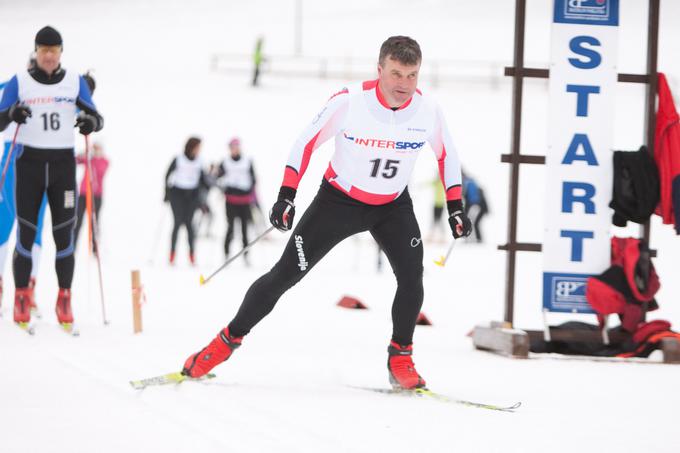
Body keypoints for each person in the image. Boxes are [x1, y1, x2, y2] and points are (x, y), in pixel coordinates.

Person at [182, 36, 472, 390]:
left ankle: (401, 357)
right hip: (338, 203)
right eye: (396, 74)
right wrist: (287, 195)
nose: (404, 85)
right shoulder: (349, 102)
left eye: (412, 76)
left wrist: (455, 206)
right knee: (283, 277)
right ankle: (224, 343)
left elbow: (448, 155)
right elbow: (306, 143)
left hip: (392, 206)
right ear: (379, 70)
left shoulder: (427, 110)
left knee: (412, 279)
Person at [0, 25, 103, 328]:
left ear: (60, 53)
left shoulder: (74, 82)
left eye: (53, 51)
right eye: (43, 50)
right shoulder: (20, 82)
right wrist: (11, 115)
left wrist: (89, 122)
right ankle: (21, 295)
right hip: (28, 164)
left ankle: (64, 297)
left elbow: (96, 117)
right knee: (27, 231)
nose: (48, 56)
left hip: (61, 167)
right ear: (36, 51)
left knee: (63, 234)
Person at [165, 137, 207, 265]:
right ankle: (172, 254)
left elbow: (202, 180)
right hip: (177, 194)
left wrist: (204, 196)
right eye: (198, 147)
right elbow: (167, 175)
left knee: (189, 224)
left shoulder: (200, 161)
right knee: (177, 223)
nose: (199, 150)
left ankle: (192, 254)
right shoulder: (178, 159)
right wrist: (166, 194)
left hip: (192, 195)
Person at [215, 137, 256, 263]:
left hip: (244, 200)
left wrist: (251, 193)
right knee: (231, 228)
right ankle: (226, 254)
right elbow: (218, 177)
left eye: (236, 147)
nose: (234, 150)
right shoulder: (225, 162)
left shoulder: (247, 161)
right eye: (232, 148)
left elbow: (253, 179)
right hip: (231, 200)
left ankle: (246, 255)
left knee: (244, 229)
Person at [74, 141, 109, 252]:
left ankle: (95, 248)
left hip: (96, 195)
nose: (95, 150)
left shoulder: (104, 161)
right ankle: (73, 245)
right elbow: (76, 160)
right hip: (84, 194)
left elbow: (101, 171)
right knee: (78, 219)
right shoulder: (88, 158)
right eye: (94, 148)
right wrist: (84, 154)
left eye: (97, 148)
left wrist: (94, 159)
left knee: (94, 220)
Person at [462, 170, 488, 243]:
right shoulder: (470, 182)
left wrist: (472, 205)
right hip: (475, 205)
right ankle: (475, 239)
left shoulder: (468, 182)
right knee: (473, 222)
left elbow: (473, 197)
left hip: (475, 205)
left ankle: (473, 239)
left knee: (471, 222)